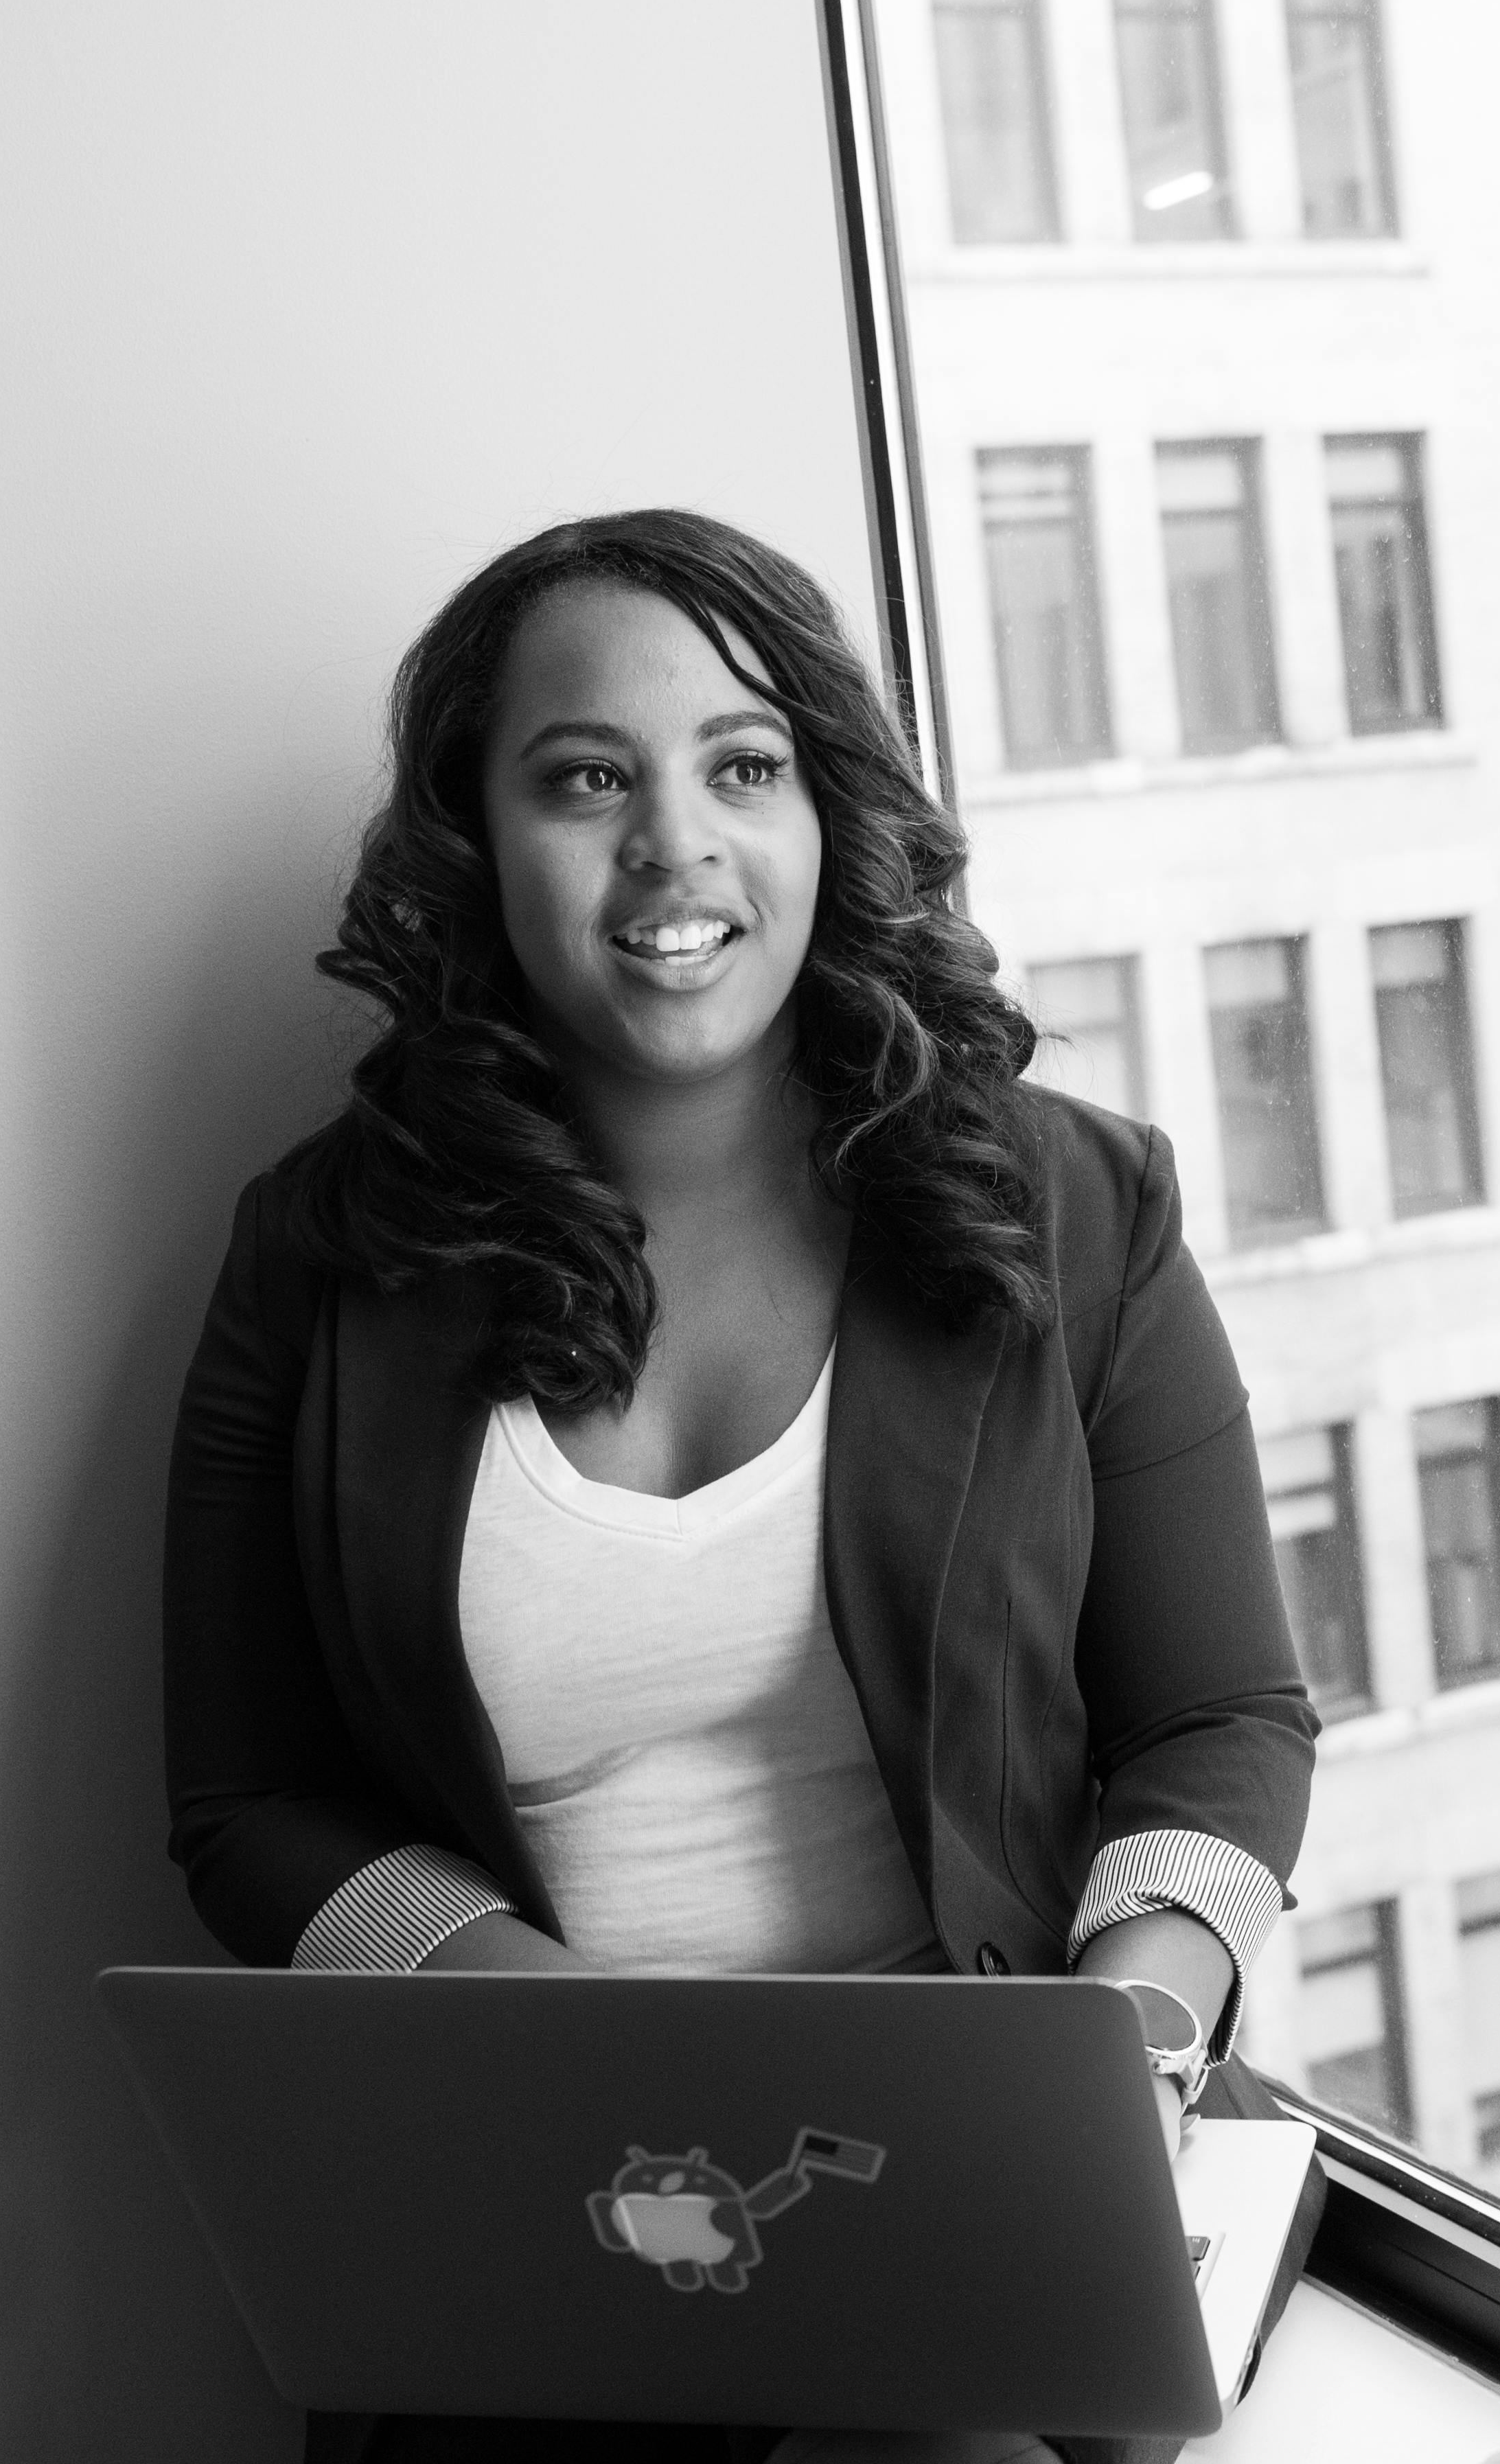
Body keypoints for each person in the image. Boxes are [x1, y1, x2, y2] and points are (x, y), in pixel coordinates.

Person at [163, 509, 1317, 2464]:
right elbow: (246, 1801)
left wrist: (1124, 2048)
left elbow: (1222, 1720)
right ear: (476, 840)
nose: (673, 848)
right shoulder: (320, 1259)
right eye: (585, 779)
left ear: (827, 814)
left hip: (974, 2176)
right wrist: (573, 2042)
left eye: (745, 767)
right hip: (543, 2189)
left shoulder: (1077, 1206)